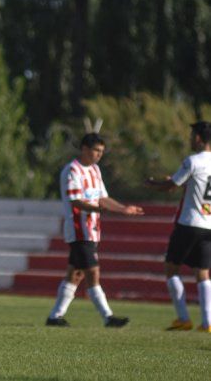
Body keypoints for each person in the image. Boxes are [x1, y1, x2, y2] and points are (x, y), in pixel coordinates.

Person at [46, 133, 144, 328]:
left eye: (101, 152)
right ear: (84, 148)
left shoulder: (95, 171)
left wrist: (123, 209)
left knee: (76, 274)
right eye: (96, 150)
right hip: (78, 231)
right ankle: (108, 317)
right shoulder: (72, 170)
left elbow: (102, 198)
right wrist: (99, 209)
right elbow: (76, 201)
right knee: (93, 273)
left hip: (91, 230)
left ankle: (55, 317)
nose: (99, 155)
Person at [145, 121, 211, 333]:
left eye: (192, 135)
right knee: (202, 272)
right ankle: (208, 322)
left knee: (171, 268)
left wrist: (152, 184)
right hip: (208, 225)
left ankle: (183, 318)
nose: (190, 139)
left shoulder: (193, 161)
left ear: (199, 138)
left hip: (189, 223)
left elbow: (171, 186)